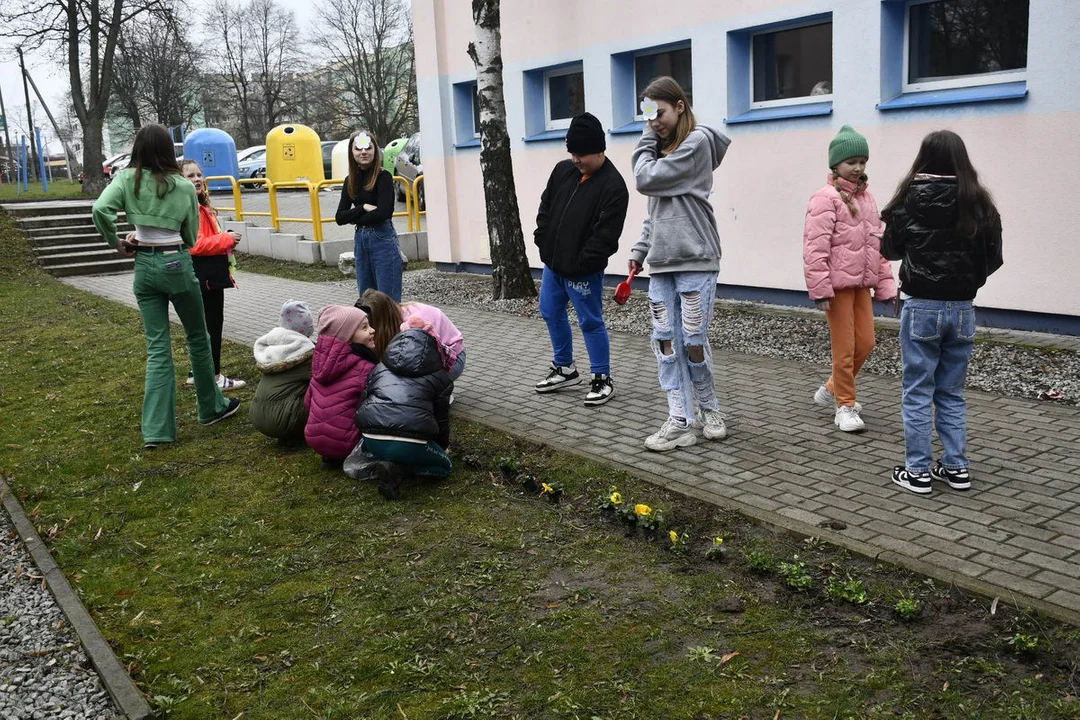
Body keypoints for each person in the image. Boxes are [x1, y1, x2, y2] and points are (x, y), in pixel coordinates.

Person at [92, 124, 240, 449]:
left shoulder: (125, 179)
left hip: (143, 266)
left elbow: (99, 209)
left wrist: (117, 241)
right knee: (198, 337)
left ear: (138, 149)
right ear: (167, 150)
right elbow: (189, 238)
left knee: (157, 347)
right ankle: (211, 407)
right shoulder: (182, 187)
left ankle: (157, 430)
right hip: (176, 262)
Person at [880, 130, 1003, 495]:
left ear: (924, 159)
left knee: (917, 391)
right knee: (951, 392)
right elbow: (993, 256)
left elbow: (889, 249)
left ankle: (917, 472)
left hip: (921, 307)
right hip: (963, 308)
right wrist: (966, 283)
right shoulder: (978, 202)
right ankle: (956, 468)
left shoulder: (909, 199)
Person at [627, 76, 731, 452]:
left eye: (659, 112)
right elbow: (654, 211)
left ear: (680, 106)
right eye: (647, 115)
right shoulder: (663, 149)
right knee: (665, 342)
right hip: (662, 264)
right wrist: (640, 251)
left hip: (697, 261)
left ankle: (710, 408)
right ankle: (680, 420)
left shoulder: (698, 142)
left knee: (692, 341)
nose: (653, 122)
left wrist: (645, 140)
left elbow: (644, 179)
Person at [803, 125, 896, 433]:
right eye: (851, 162)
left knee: (866, 343)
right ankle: (844, 405)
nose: (858, 168)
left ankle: (831, 388)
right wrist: (820, 289)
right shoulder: (825, 198)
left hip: (862, 286)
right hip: (837, 288)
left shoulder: (868, 199)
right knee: (843, 348)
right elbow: (815, 247)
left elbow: (877, 244)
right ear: (835, 165)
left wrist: (886, 284)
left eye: (862, 162)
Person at [533, 111, 629, 406]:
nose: (576, 159)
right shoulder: (563, 170)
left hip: (582, 271)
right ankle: (564, 368)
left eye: (582, 154)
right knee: (550, 311)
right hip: (553, 265)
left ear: (600, 150)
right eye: (572, 152)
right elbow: (545, 207)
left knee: (590, 321)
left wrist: (581, 263)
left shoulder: (614, 187)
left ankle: (602, 378)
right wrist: (543, 242)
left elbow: (605, 238)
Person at [354, 315, 454, 500]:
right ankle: (399, 469)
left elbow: (363, 402)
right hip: (411, 441)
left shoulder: (379, 368)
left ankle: (385, 462)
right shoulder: (440, 376)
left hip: (372, 438)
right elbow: (441, 418)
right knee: (445, 467)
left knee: (394, 449)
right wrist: (442, 447)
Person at [180, 159, 245, 391]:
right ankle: (215, 376)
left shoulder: (198, 204)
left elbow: (207, 238)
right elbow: (195, 245)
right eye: (190, 176)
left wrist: (224, 238)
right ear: (180, 180)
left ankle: (196, 372)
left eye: (199, 175)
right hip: (205, 276)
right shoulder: (191, 208)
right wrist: (227, 239)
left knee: (203, 327)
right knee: (212, 326)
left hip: (207, 274)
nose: (197, 179)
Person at [304, 305, 378, 469]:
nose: (372, 330)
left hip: (315, 439)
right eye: (364, 328)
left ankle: (330, 457)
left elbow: (308, 403)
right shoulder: (365, 367)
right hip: (348, 443)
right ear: (348, 337)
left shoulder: (319, 366)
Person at [335, 130, 402, 301]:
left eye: (368, 148)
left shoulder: (383, 177)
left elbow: (384, 213)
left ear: (375, 151)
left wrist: (354, 217)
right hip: (361, 241)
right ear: (352, 152)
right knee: (367, 299)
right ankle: (369, 328)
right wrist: (363, 207)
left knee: (388, 300)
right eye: (358, 148)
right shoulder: (350, 180)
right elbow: (340, 217)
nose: (363, 152)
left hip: (383, 240)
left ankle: (394, 329)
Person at [358, 289, 466, 381]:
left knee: (410, 380)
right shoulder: (395, 315)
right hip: (438, 355)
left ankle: (439, 394)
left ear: (381, 320)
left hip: (454, 359)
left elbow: (422, 360)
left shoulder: (414, 323)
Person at [250, 300, 315, 444]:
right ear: (307, 330)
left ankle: (286, 434)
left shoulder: (272, 349)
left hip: (258, 417)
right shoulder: (305, 355)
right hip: (286, 420)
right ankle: (297, 433)